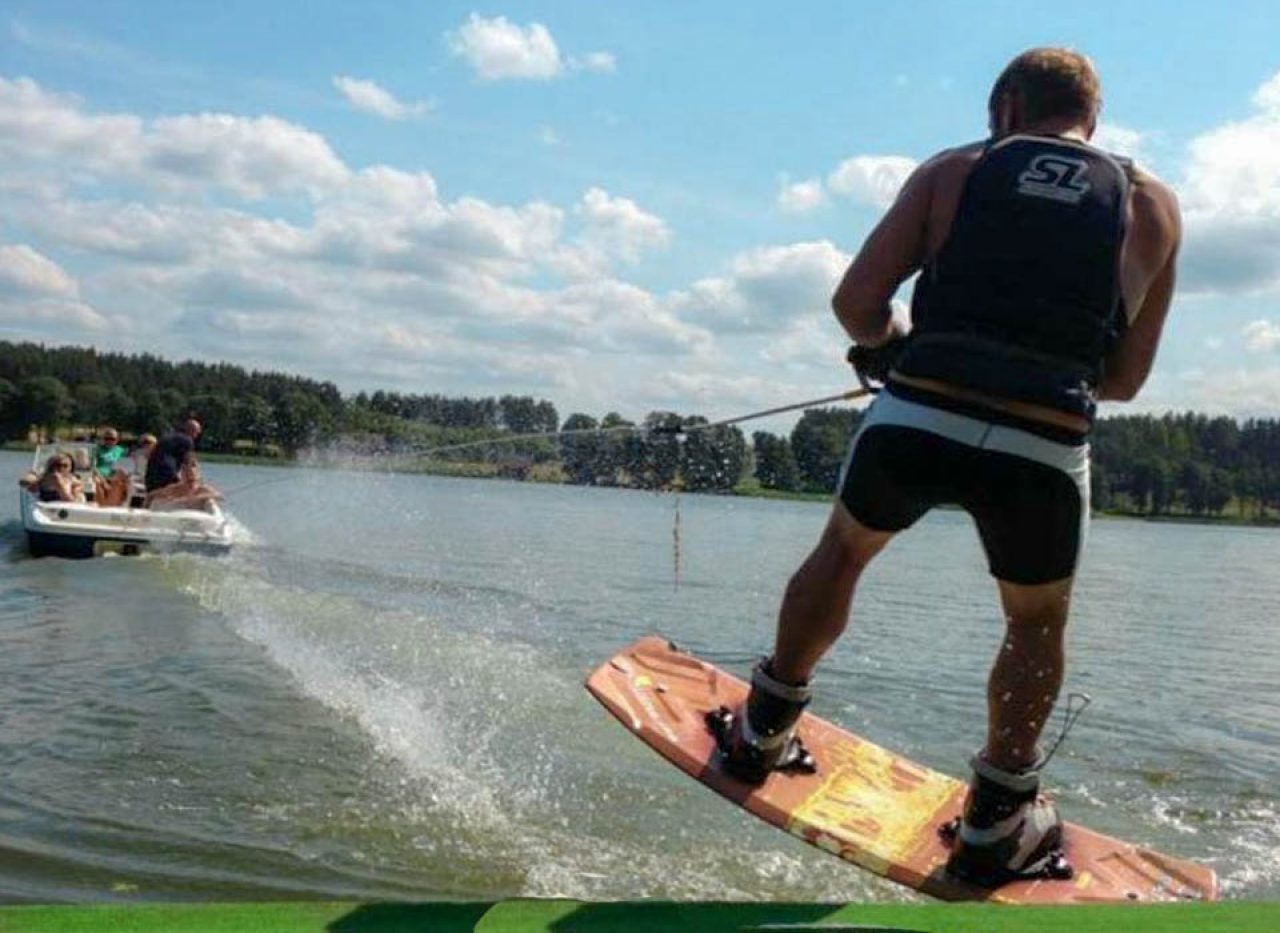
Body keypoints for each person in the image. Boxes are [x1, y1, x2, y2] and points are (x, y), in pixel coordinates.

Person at [721, 48, 1181, 886]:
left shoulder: (957, 169)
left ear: (1007, 108)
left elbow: (855, 303)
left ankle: (762, 733)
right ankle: (996, 818)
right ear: (1093, 120)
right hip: (1043, 445)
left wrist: (890, 345)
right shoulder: (1152, 204)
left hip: (918, 415)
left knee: (844, 551)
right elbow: (1121, 381)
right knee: (1034, 623)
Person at [144, 419, 222, 510]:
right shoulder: (187, 440)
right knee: (182, 489)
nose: (196, 436)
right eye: (197, 433)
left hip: (150, 478)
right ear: (192, 431)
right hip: (165, 475)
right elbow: (189, 463)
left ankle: (155, 499)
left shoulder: (170, 436)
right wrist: (196, 480)